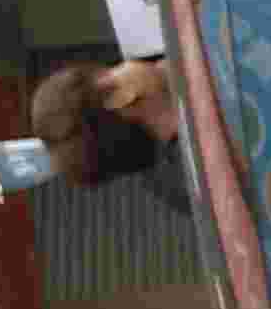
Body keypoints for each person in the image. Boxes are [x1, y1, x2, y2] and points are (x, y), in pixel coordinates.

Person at [26, 54, 192, 210]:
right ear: (121, 98)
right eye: (110, 72)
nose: (124, 63)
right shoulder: (186, 45)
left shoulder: (179, 187)